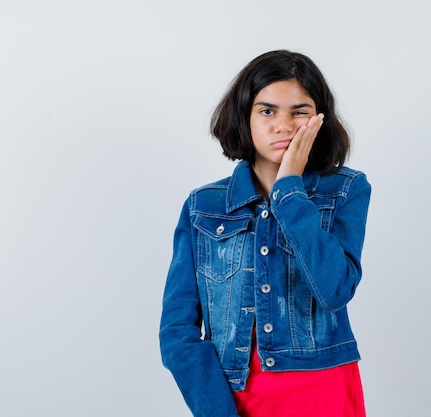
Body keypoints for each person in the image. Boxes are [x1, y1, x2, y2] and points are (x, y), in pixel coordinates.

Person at [159, 50, 371, 417]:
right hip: (233, 397)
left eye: (299, 111)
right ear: (245, 116)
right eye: (267, 110)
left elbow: (335, 289)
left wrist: (289, 190)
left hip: (325, 392)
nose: (284, 125)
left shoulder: (345, 191)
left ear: (319, 120)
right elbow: (177, 332)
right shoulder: (202, 206)